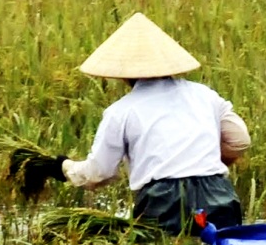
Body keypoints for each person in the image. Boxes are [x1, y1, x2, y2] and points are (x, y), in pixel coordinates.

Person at [26, 13, 251, 233]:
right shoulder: (205, 95)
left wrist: (64, 167)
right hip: (219, 194)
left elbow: (99, 172)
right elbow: (240, 140)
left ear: (123, 75)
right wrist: (203, 166)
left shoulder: (121, 111)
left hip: (165, 202)